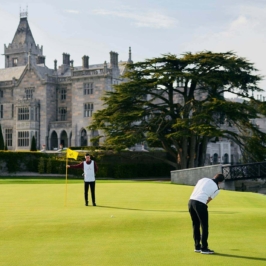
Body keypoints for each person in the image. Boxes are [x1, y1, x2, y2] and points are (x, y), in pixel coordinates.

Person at [188, 173, 225, 254]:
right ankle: (204, 248)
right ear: (220, 182)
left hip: (191, 202)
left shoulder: (203, 179)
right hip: (200, 203)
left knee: (195, 224)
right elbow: (208, 200)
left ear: (214, 177)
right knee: (204, 226)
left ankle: (197, 246)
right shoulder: (217, 189)